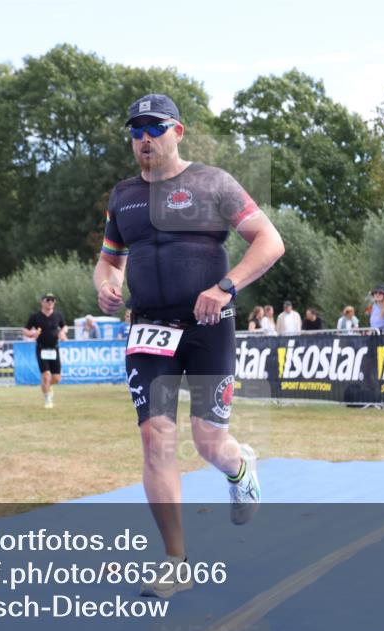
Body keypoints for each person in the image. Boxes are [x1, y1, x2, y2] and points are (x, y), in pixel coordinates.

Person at [93, 93, 284, 598]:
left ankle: (240, 465)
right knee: (156, 437)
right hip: (149, 329)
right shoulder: (123, 195)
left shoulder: (213, 183)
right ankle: (175, 559)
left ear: (178, 131)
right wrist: (105, 284)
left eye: (154, 128)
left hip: (208, 326)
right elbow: (109, 261)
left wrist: (226, 286)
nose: (144, 139)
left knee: (208, 443)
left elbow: (270, 241)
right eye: (135, 131)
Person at [23, 292, 68, 408]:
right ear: (42, 302)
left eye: (52, 300)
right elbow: (25, 330)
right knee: (46, 375)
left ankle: (46, 385)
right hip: (41, 349)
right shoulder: (35, 316)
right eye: (48, 300)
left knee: (57, 378)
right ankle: (48, 399)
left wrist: (63, 333)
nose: (50, 302)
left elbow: (64, 326)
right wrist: (33, 333)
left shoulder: (58, 315)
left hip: (54, 349)